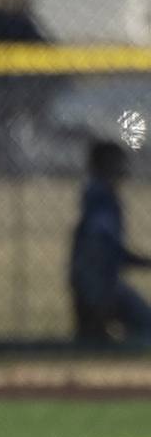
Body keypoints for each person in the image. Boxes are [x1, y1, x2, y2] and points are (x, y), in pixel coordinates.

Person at [70, 140, 151, 347]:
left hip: (98, 283)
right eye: (117, 162)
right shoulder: (102, 200)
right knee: (145, 326)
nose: (123, 168)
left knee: (95, 340)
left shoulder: (98, 196)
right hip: (98, 286)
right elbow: (102, 249)